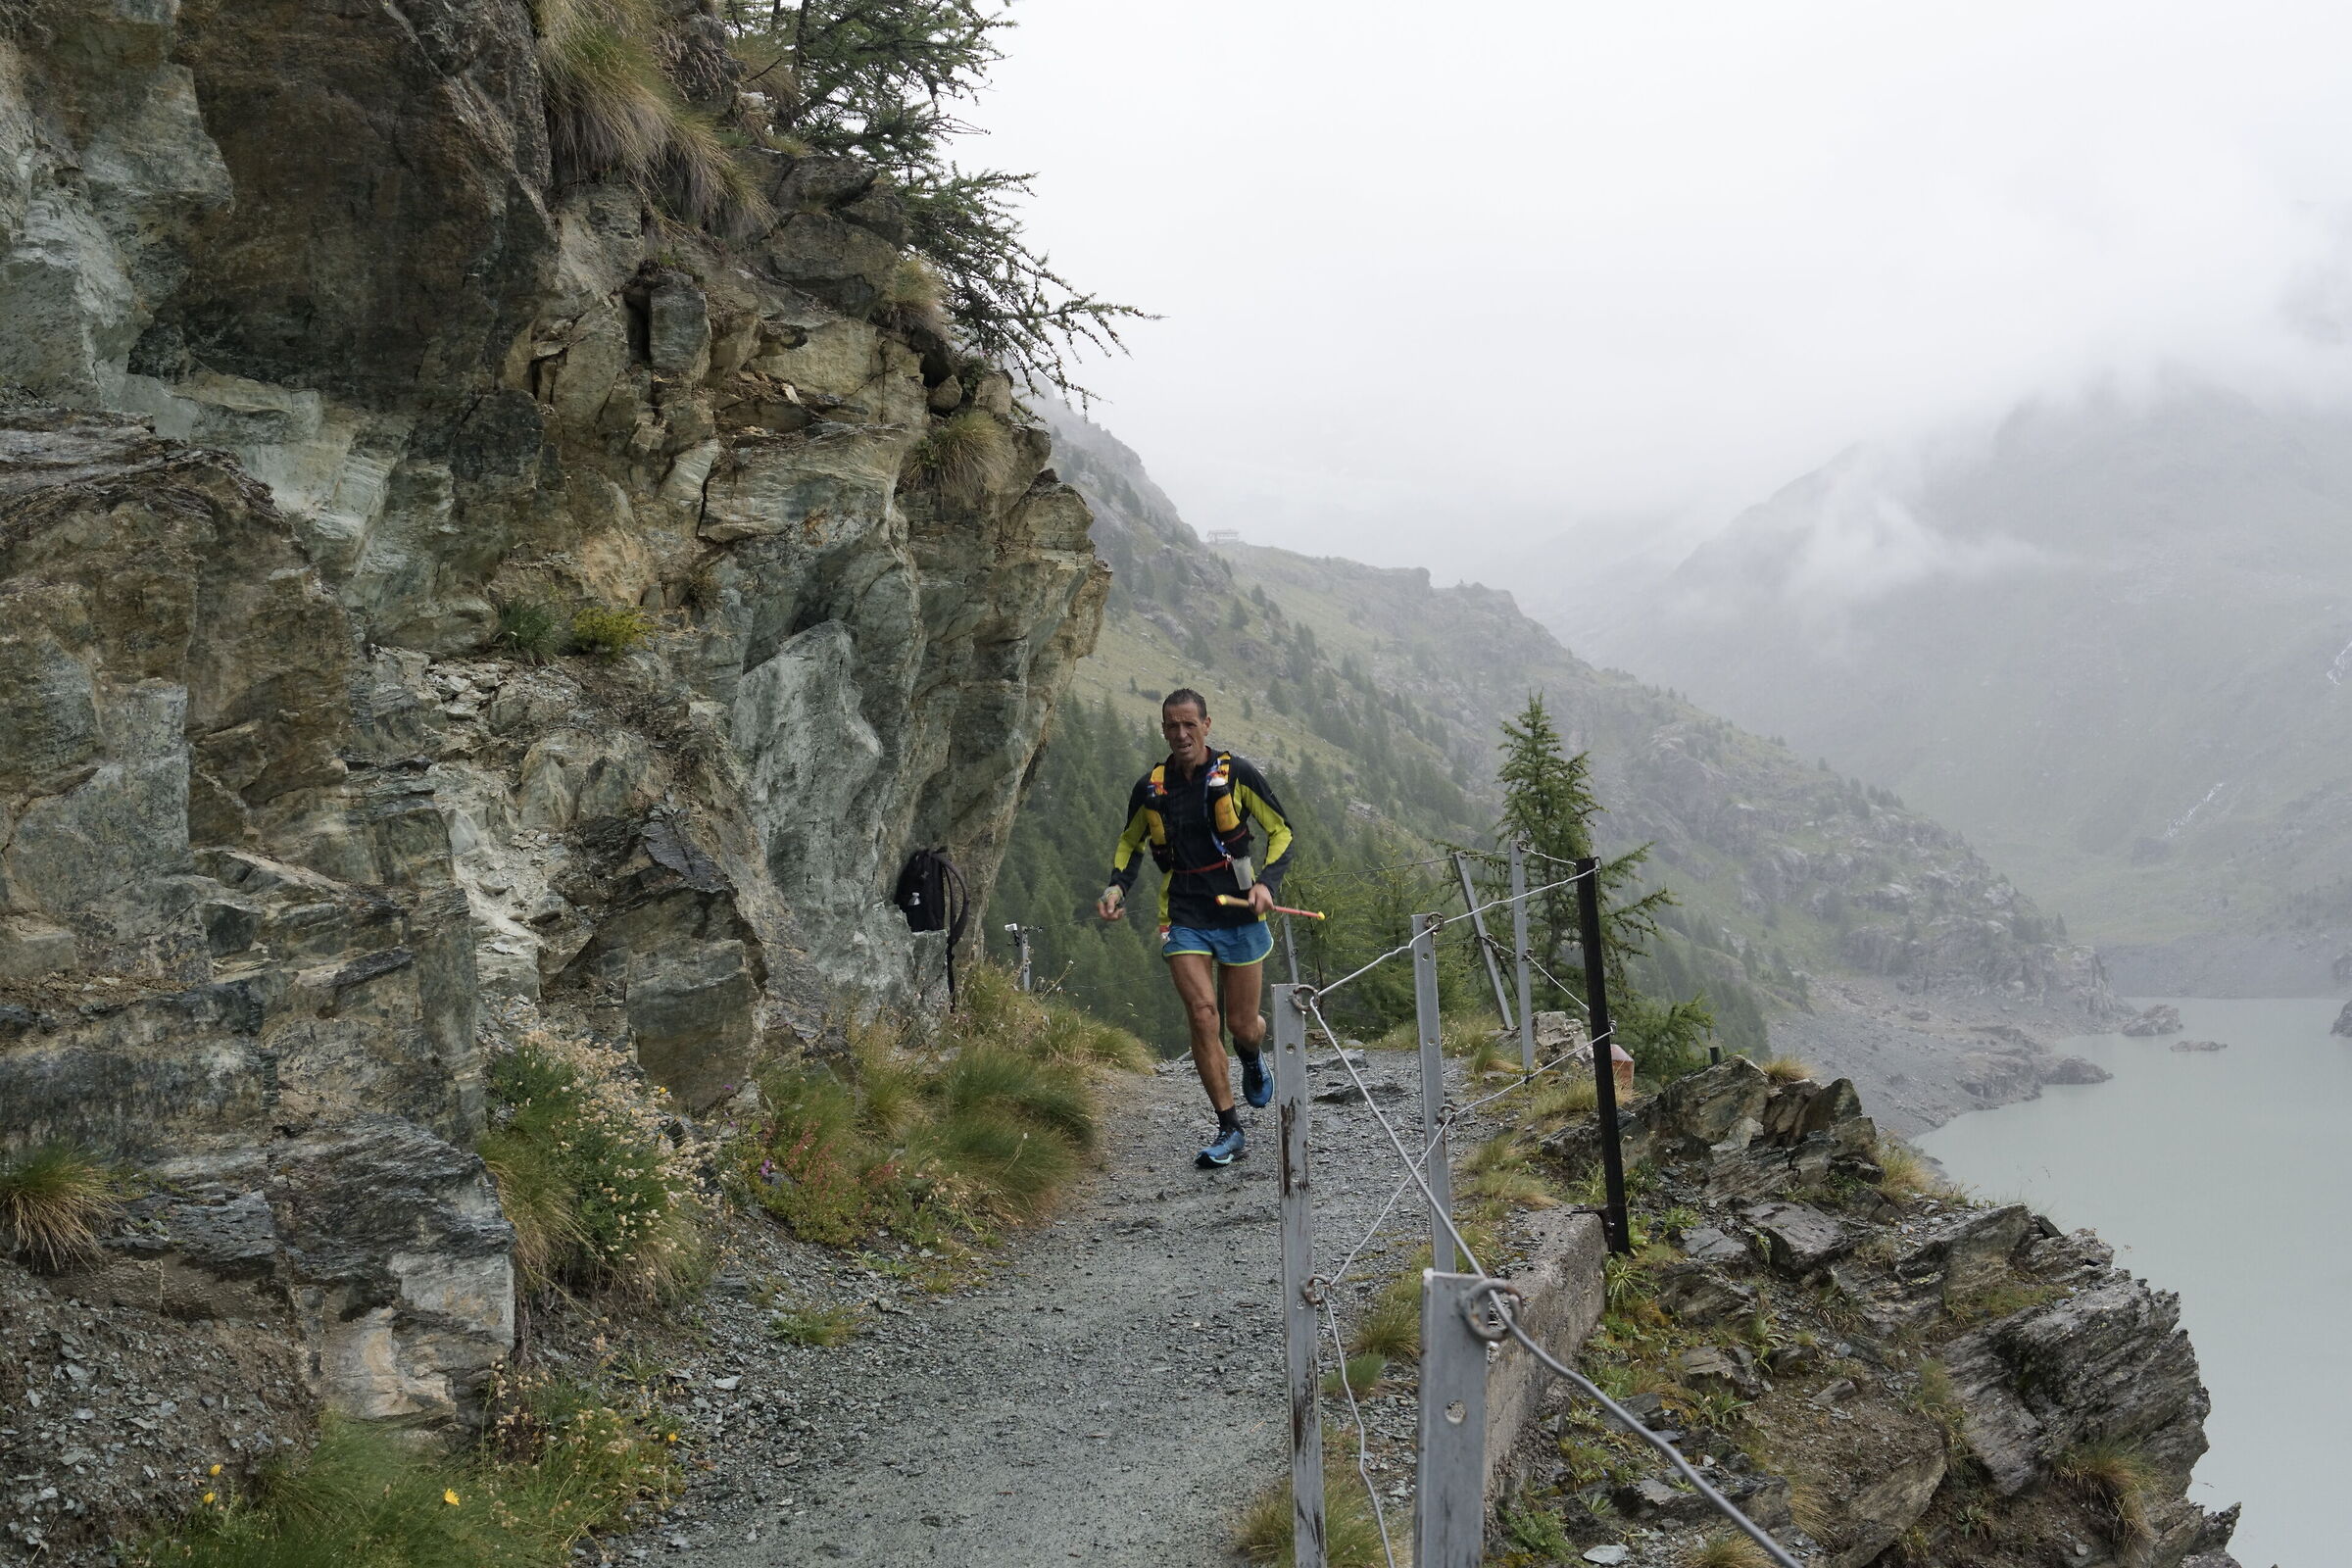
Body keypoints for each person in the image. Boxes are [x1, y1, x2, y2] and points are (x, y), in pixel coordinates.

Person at [1097, 688, 1295, 1167]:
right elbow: (1130, 844)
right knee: (1204, 1015)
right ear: (1163, 729)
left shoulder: (1237, 774)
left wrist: (1266, 883)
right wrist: (1116, 888)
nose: (1181, 734)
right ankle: (1230, 1127)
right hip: (1183, 914)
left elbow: (1282, 831)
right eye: (1172, 725)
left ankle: (1251, 1054)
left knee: (1243, 1024)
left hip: (1239, 911)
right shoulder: (1151, 787)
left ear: (1207, 725)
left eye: (1190, 724)